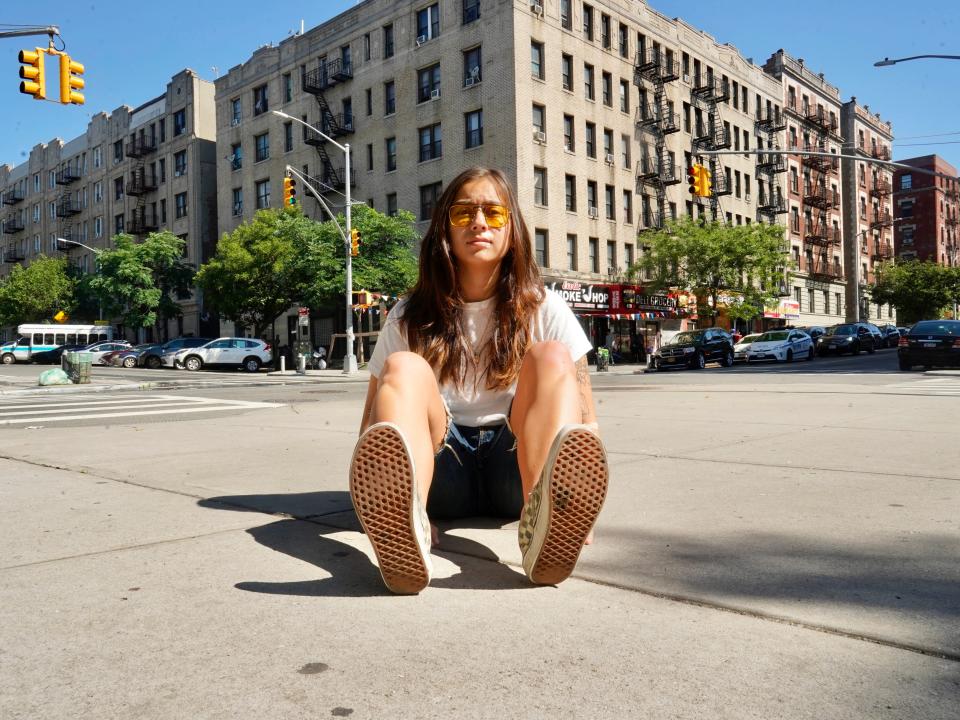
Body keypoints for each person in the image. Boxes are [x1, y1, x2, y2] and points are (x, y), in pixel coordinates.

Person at [349, 166, 609, 594]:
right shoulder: (408, 313)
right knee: (404, 367)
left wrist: (576, 496)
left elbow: (585, 417)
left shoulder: (546, 307)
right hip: (442, 473)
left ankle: (544, 519)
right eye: (463, 213)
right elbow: (373, 424)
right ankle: (405, 524)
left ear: (513, 230)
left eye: (494, 212)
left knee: (551, 356)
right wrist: (373, 492)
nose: (479, 223)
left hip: (518, 468)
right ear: (444, 229)